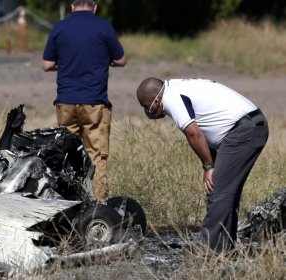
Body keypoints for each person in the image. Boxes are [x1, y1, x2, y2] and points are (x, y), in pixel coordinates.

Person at [136, 77, 268, 254]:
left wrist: (208, 167)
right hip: (248, 126)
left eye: (147, 106)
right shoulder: (177, 87)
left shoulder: (171, 98)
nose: (148, 111)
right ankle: (223, 248)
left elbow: (194, 134)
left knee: (219, 191)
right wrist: (210, 164)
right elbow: (206, 132)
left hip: (243, 130)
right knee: (225, 192)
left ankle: (210, 252)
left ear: (157, 100)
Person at [41, 0, 126, 202]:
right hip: (94, 102)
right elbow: (121, 60)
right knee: (96, 155)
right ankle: (97, 205)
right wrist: (104, 60)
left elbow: (47, 65)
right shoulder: (103, 26)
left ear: (72, 6)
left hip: (65, 102)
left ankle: (69, 202)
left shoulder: (60, 27)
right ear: (94, 7)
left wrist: (64, 63)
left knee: (67, 154)